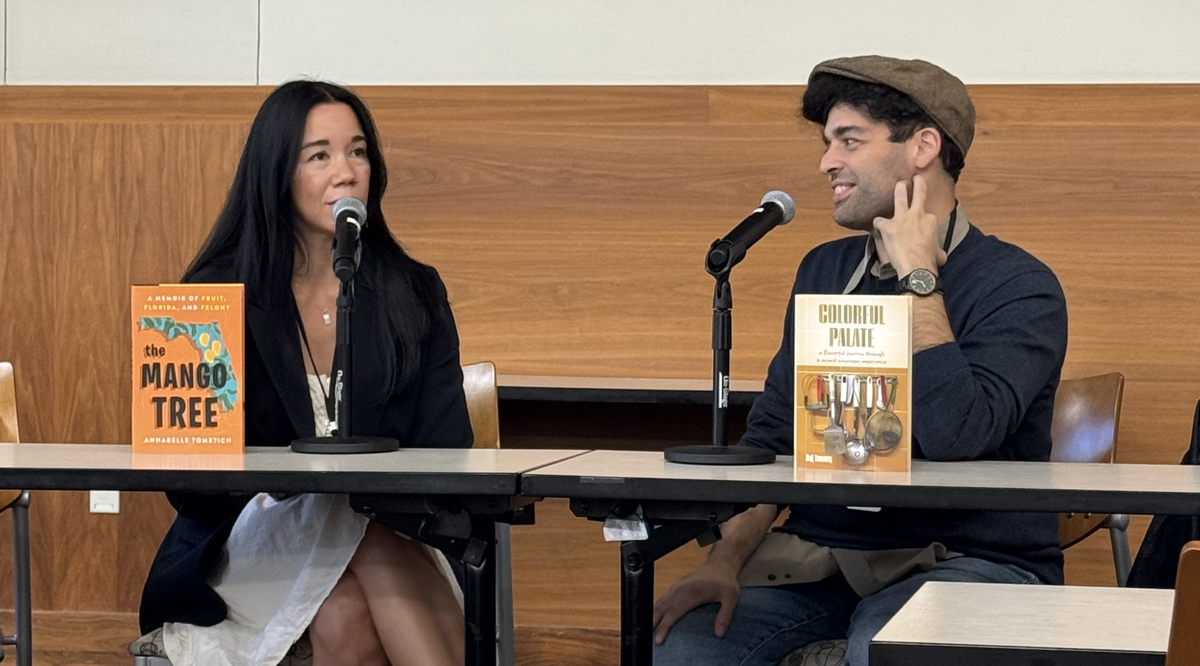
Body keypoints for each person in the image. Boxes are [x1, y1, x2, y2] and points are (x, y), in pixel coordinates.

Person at [652, 56, 1069, 666]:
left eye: (849, 141)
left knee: (886, 646)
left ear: (923, 147)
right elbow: (774, 440)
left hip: (970, 560)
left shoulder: (1020, 286)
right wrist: (722, 562)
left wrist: (918, 275)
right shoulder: (823, 270)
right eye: (827, 143)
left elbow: (958, 434)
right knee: (681, 646)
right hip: (819, 561)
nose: (826, 162)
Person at [138, 80, 472, 666]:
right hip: (255, 545)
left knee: (349, 606)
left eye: (358, 152)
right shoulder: (209, 297)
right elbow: (187, 485)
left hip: (390, 532)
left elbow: (449, 450)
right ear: (277, 174)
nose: (346, 172)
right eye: (319, 156)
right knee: (354, 527)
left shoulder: (414, 292)